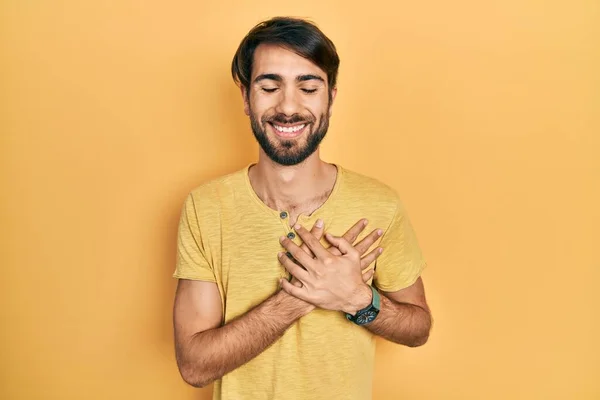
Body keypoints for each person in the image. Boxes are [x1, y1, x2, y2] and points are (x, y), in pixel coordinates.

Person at [172, 16, 432, 400]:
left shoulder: (380, 204)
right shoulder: (206, 207)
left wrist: (359, 299)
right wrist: (298, 298)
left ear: (330, 97)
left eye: (308, 87)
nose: (288, 107)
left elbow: (418, 327)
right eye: (269, 86)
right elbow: (195, 365)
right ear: (245, 98)